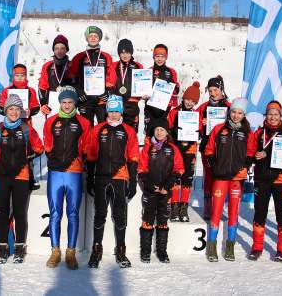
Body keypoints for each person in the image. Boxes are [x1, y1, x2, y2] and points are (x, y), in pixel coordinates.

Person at [86, 94, 139, 268]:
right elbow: (92, 155)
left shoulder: (128, 131)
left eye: (117, 111)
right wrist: (89, 179)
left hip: (120, 178)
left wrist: (132, 181)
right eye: (111, 110)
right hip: (101, 177)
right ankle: (96, 250)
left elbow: (132, 157)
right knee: (100, 215)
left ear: (121, 111)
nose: (114, 114)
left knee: (119, 216)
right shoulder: (98, 129)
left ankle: (121, 251)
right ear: (107, 111)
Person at [0, 94, 44, 264]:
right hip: (2, 177)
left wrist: (29, 156)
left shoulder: (26, 129)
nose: (14, 112)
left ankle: (20, 248)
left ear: (21, 111)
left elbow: (40, 148)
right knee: (2, 214)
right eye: (10, 109)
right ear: (5, 110)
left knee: (20, 214)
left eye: (17, 109)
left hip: (21, 176)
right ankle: (3, 248)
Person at [42, 86, 91, 270]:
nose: (67, 105)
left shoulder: (83, 122)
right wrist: (50, 155)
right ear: (60, 103)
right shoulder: (51, 121)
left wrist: (81, 158)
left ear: (75, 103)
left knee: (72, 213)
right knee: (55, 213)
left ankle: (71, 252)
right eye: (64, 102)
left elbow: (87, 145)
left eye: (70, 102)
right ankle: (55, 251)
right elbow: (47, 141)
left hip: (74, 172)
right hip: (55, 173)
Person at [248, 101, 282, 262]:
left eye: (276, 114)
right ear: (266, 116)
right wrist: (256, 156)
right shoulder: (258, 134)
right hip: (262, 179)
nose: (272, 117)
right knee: (260, 213)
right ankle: (257, 247)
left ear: (280, 116)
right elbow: (250, 153)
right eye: (270, 114)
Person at [204, 98, 255, 262]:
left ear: (244, 114)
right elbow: (209, 148)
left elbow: (251, 151)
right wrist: (211, 159)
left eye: (240, 113)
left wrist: (248, 161)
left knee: (233, 212)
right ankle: (211, 247)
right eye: (233, 112)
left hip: (237, 178)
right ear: (229, 112)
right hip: (220, 176)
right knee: (217, 211)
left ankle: (230, 247)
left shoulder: (248, 132)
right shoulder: (219, 129)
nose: (236, 115)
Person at [138, 118, 184, 263]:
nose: (159, 132)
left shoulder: (173, 149)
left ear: (166, 132)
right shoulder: (147, 148)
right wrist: (150, 184)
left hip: (165, 191)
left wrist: (168, 185)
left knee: (163, 220)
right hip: (151, 190)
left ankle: (162, 252)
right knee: (148, 219)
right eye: (157, 129)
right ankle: (145, 252)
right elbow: (141, 168)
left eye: (162, 130)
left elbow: (179, 169)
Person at [167, 81, 201, 222]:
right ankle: (174, 206)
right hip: (176, 148)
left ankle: (183, 207)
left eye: (193, 101)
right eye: (187, 99)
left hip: (190, 149)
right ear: (183, 98)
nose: (189, 103)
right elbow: (167, 128)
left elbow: (200, 132)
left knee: (187, 177)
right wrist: (173, 132)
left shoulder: (196, 114)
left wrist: (198, 133)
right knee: (176, 176)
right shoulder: (174, 111)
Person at [197, 75, 230, 220]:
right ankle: (208, 209)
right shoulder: (203, 107)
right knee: (209, 177)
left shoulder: (229, 107)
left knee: (221, 178)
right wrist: (202, 123)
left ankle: (219, 207)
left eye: (215, 90)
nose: (213, 93)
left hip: (224, 149)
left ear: (221, 90)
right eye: (210, 90)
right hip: (207, 148)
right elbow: (193, 125)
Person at [69, 26, 115, 126]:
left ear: (99, 38)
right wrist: (79, 91)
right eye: (90, 36)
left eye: (96, 36)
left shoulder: (106, 57)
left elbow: (111, 77)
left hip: (101, 101)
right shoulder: (79, 57)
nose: (93, 38)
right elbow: (72, 77)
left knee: (103, 129)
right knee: (86, 129)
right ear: (87, 38)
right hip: (85, 100)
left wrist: (107, 92)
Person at [143, 44, 179, 137]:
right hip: (150, 109)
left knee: (162, 134)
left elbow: (177, 89)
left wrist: (171, 86)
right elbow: (143, 89)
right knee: (150, 133)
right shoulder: (148, 71)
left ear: (166, 57)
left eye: (162, 56)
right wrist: (143, 94)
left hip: (165, 109)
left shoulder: (171, 72)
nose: (159, 59)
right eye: (157, 56)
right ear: (153, 57)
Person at [111, 38, 144, 132]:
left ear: (131, 53)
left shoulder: (138, 66)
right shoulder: (113, 65)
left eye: (127, 52)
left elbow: (142, 86)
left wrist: (141, 95)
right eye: (122, 52)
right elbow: (109, 84)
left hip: (132, 106)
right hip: (116, 105)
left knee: (131, 134)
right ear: (119, 54)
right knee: (116, 134)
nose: (125, 55)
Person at [38, 34, 74, 116]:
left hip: (69, 104)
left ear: (66, 50)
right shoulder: (47, 66)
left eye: (62, 48)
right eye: (56, 48)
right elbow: (42, 87)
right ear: (53, 50)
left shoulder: (72, 65)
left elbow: (78, 85)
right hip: (51, 105)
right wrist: (43, 104)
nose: (59, 51)